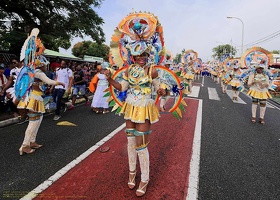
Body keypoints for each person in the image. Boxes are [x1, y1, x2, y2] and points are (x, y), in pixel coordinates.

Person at [105, 51, 166, 196]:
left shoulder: (152, 70)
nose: (142, 58)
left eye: (144, 55)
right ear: (133, 56)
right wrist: (109, 79)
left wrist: (162, 91)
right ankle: (132, 172)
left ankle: (145, 178)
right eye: (139, 55)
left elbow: (159, 88)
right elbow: (122, 87)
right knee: (131, 142)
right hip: (131, 107)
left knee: (141, 145)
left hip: (144, 107)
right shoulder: (129, 69)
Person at [17, 58, 65, 155]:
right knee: (33, 122)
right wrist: (60, 83)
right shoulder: (38, 73)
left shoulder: (32, 71)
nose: (46, 67)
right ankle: (25, 146)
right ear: (41, 65)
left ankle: (32, 141)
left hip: (35, 97)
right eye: (45, 65)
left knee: (39, 119)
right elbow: (50, 82)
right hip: (34, 98)